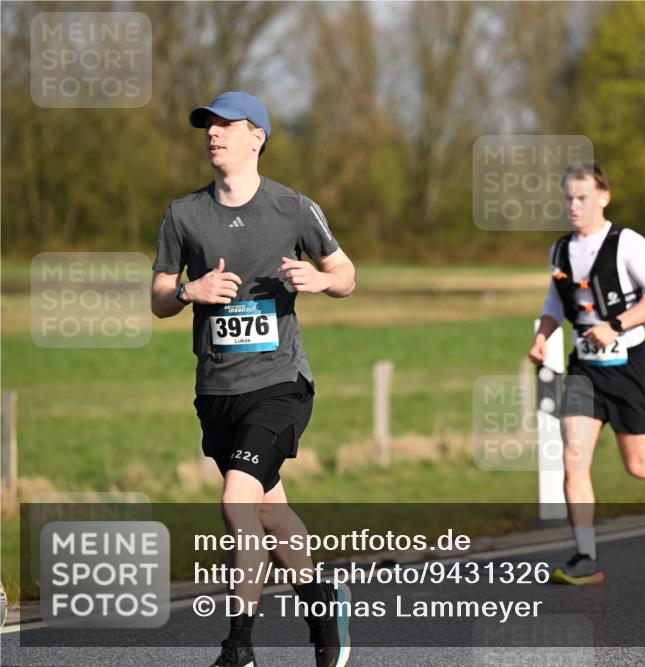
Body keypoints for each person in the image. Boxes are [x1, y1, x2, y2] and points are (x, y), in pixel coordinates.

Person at [150, 91, 355, 667]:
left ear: (257, 136)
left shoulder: (293, 208)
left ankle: (238, 646)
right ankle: (323, 603)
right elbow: (160, 295)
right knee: (269, 511)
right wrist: (190, 291)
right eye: (207, 127)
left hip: (280, 383)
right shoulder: (182, 214)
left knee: (237, 500)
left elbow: (345, 272)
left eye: (225, 126)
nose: (212, 134)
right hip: (217, 391)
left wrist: (320, 281)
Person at [528, 162, 645, 586]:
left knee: (637, 467)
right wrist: (543, 335)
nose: (574, 206)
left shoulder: (626, 243)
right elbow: (555, 303)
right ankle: (586, 555)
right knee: (572, 459)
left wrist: (616, 325)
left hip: (627, 367)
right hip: (583, 371)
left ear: (603, 197)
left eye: (582, 197)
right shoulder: (560, 250)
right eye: (568, 198)